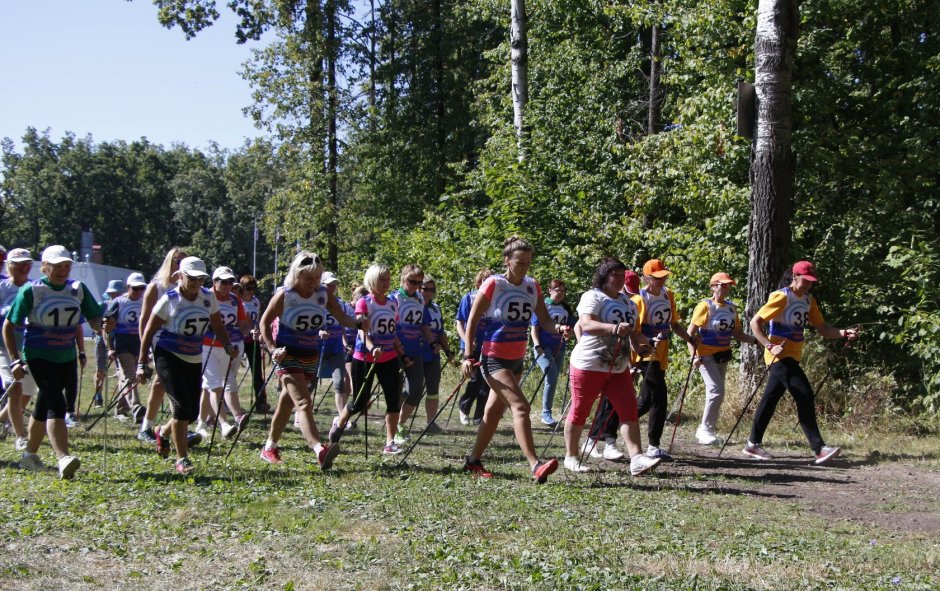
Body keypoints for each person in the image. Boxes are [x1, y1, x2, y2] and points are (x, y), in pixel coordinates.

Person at [459, 237, 571, 483]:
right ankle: (535, 465)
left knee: (492, 412)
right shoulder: (493, 284)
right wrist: (468, 355)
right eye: (519, 262)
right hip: (493, 358)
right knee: (521, 406)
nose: (524, 267)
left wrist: (559, 329)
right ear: (507, 261)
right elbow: (472, 321)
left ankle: (472, 461)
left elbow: (544, 320)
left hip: (516, 358)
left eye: (528, 262)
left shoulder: (532, 286)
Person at [2, 245, 103, 479]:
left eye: (67, 265)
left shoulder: (77, 289)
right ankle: (63, 458)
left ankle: (29, 455)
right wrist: (16, 360)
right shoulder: (32, 291)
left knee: (43, 405)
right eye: (57, 266)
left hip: (65, 356)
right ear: (45, 267)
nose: (63, 270)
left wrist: (104, 325)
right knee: (56, 403)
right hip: (38, 354)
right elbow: (9, 325)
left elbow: (95, 320)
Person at [743, 261, 859, 464]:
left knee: (770, 399)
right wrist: (769, 346)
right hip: (779, 357)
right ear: (795, 276)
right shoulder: (781, 296)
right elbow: (755, 322)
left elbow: (823, 328)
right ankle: (819, 448)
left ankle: (752, 444)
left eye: (811, 282)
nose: (808, 285)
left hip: (793, 355)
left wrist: (843, 333)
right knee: (804, 395)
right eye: (805, 280)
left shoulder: (808, 300)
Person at [136, 256, 237, 475]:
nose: (196, 284)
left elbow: (218, 325)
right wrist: (142, 362)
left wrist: (227, 344)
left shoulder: (208, 298)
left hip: (193, 357)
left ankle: (161, 433)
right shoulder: (169, 300)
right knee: (182, 408)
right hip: (168, 356)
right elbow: (149, 331)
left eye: (200, 279)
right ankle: (182, 460)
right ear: (180, 276)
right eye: (191, 278)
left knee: (190, 414)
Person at [562, 258, 660, 475]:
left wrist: (645, 347)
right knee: (580, 410)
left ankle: (637, 459)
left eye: (622, 274)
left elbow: (634, 335)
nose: (620, 279)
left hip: (617, 367)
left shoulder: (629, 302)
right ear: (605, 276)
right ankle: (571, 456)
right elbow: (586, 324)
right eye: (615, 274)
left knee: (629, 409)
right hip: (588, 363)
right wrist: (613, 328)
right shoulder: (593, 296)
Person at [258, 252, 356, 467]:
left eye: (316, 278)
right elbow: (264, 323)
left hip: (310, 355)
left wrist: (359, 323)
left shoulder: (323, 294)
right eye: (308, 278)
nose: (313, 283)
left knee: (286, 404)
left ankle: (269, 447)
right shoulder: (286, 294)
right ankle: (319, 449)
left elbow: (342, 318)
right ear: (297, 275)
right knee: (303, 402)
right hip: (288, 354)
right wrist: (272, 348)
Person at [329, 263, 405, 454]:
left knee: (393, 399)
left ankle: (389, 443)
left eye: (388, 279)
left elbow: (392, 329)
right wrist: (372, 348)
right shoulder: (365, 302)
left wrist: (397, 346)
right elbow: (362, 330)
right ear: (372, 280)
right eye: (381, 279)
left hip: (389, 357)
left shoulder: (392, 303)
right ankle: (340, 422)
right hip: (365, 358)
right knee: (360, 402)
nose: (386, 283)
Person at [632, 259, 698, 461]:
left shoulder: (668, 295)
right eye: (657, 277)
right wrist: (639, 350)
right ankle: (654, 446)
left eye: (664, 277)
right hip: (645, 352)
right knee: (660, 395)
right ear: (646, 278)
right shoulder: (638, 299)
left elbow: (674, 324)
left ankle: (608, 425)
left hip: (661, 353)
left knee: (644, 401)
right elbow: (633, 331)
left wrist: (690, 339)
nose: (661, 280)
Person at [137, 247, 201, 447]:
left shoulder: (194, 290)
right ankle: (149, 427)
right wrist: (145, 349)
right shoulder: (156, 287)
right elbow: (145, 321)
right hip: (160, 342)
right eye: (176, 260)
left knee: (167, 385)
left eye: (183, 260)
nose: (179, 262)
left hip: (184, 342)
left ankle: (168, 427)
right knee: (162, 384)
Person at [686, 272, 755, 445]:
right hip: (705, 355)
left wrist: (756, 340)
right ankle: (705, 431)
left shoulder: (731, 308)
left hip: (722, 355)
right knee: (716, 391)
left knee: (717, 392)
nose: (727, 288)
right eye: (723, 285)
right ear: (714, 286)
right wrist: (693, 356)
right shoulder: (705, 306)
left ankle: (706, 429)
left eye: (729, 285)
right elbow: (690, 334)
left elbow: (737, 334)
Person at [585, 269, 642, 459]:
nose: (628, 293)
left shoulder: (631, 303)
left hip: (621, 362)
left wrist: (637, 356)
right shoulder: (597, 297)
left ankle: (622, 448)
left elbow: (634, 335)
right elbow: (582, 325)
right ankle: (594, 441)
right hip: (596, 360)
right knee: (597, 404)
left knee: (624, 405)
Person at [196, 266, 252, 439]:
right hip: (207, 345)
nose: (228, 285)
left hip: (226, 347)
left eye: (230, 282)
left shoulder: (235, 300)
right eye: (224, 282)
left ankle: (201, 423)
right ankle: (224, 424)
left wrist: (249, 330)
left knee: (211, 385)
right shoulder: (205, 296)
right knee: (215, 385)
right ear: (214, 282)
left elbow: (242, 322)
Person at [0, 249, 39, 451]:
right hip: (4, 347)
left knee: (27, 393)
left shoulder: (35, 288)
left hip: (31, 346)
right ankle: (21, 436)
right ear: (10, 265)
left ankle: (1, 420)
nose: (24, 266)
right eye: (19, 262)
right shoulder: (2, 288)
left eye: (27, 262)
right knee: (15, 388)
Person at [394, 264, 438, 442]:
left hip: (414, 351)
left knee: (416, 391)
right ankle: (393, 428)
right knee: (395, 391)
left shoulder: (420, 299)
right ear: (403, 279)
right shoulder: (394, 299)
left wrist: (432, 342)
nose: (416, 286)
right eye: (412, 282)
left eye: (419, 283)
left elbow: (423, 325)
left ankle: (400, 424)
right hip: (395, 352)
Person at [103, 273, 148, 423]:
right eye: (135, 288)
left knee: (126, 378)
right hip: (122, 343)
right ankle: (137, 409)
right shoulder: (119, 302)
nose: (138, 292)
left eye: (142, 288)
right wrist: (110, 347)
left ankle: (121, 409)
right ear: (128, 287)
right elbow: (107, 326)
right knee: (130, 377)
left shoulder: (145, 301)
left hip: (139, 344)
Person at [408, 274, 451, 433]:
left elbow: (440, 332)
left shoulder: (436, 308)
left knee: (433, 389)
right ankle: (398, 421)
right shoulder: (412, 304)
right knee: (411, 390)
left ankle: (430, 423)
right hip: (415, 352)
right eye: (426, 289)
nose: (429, 293)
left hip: (432, 354)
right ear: (419, 288)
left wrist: (447, 351)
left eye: (432, 290)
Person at [530, 279, 574, 426]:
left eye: (563, 291)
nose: (560, 293)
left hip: (559, 347)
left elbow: (573, 328)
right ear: (550, 291)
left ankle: (546, 413)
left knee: (552, 379)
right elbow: (534, 329)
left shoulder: (566, 308)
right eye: (557, 290)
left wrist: (570, 334)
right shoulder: (544, 305)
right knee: (552, 376)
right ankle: (546, 414)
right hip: (543, 347)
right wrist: (537, 346)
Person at [456, 269, 492, 425]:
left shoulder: (496, 299)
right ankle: (464, 407)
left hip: (489, 346)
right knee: (475, 379)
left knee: (487, 382)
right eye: (485, 280)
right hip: (472, 346)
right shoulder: (469, 297)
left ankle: (479, 415)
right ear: (479, 283)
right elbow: (460, 322)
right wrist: (467, 341)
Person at [318, 271, 352, 430]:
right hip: (318, 346)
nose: (332, 288)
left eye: (334, 285)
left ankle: (341, 417)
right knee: (310, 382)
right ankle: (300, 414)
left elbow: (343, 324)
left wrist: (345, 342)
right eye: (328, 285)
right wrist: (319, 333)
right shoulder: (316, 302)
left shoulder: (340, 303)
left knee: (340, 382)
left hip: (336, 346)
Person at [239, 274, 270, 413]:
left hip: (252, 340)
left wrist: (258, 333)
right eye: (248, 288)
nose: (251, 291)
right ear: (242, 287)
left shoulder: (256, 302)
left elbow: (257, 320)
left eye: (253, 288)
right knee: (230, 372)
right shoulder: (237, 300)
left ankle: (261, 402)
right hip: (238, 339)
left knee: (257, 372)